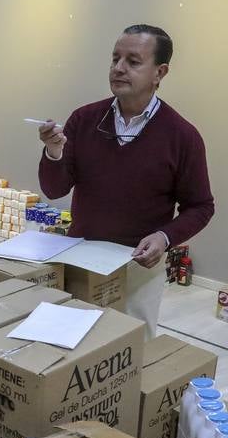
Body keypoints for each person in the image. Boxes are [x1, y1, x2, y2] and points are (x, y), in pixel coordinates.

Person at [37, 23, 214, 336]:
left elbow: (200, 206)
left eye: (133, 62)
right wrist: (54, 152)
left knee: (131, 352)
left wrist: (164, 236)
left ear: (160, 73)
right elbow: (55, 189)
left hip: (138, 266)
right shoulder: (85, 119)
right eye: (115, 59)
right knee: (76, 345)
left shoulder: (182, 136)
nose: (118, 69)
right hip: (82, 256)